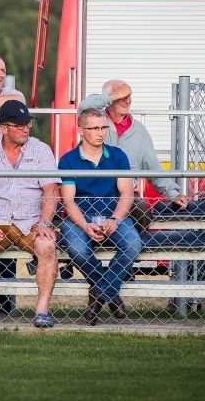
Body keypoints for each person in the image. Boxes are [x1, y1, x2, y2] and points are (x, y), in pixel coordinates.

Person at [0, 100, 59, 328]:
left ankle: (42, 311)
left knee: (47, 247)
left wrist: (45, 222)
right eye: (18, 125)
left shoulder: (41, 150)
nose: (25, 129)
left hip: (32, 223)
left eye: (27, 124)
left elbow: (51, 190)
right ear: (4, 129)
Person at [58, 107, 142, 326]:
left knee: (133, 244)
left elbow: (126, 193)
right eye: (94, 128)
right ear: (81, 131)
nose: (101, 132)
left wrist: (115, 219)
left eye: (104, 127)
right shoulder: (68, 161)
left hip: (112, 214)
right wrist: (85, 226)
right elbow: (68, 201)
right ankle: (111, 295)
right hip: (80, 217)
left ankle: (99, 293)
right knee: (77, 249)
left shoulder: (117, 156)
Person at [79, 79, 187, 229]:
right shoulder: (94, 121)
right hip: (93, 193)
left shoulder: (139, 131)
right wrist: (111, 96)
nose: (127, 100)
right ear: (109, 98)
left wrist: (173, 193)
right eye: (122, 96)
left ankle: (126, 245)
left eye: (129, 96)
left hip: (126, 195)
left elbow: (153, 167)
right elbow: (84, 107)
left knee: (143, 213)